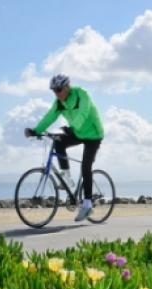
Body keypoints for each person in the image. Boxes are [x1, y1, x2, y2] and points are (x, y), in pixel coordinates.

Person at [24, 74, 104, 221]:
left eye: (59, 89)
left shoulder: (81, 94)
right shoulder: (59, 102)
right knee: (58, 142)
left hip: (93, 134)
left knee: (86, 167)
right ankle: (67, 178)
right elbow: (50, 116)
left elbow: (84, 113)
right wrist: (36, 130)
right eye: (54, 90)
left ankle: (87, 205)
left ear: (67, 87)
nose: (57, 93)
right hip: (78, 132)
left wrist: (72, 128)